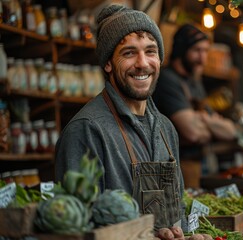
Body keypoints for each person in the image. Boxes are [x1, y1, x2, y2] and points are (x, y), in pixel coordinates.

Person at [55, 4, 186, 238]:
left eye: (150, 51)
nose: (143, 63)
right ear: (107, 63)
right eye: (129, 53)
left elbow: (180, 212)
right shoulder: (87, 130)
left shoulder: (166, 129)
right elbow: (73, 229)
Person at [152, 23, 239, 187]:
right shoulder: (167, 80)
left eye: (206, 51)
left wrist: (200, 118)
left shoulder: (194, 82)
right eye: (197, 51)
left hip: (200, 163)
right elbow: (192, 133)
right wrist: (210, 123)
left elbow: (230, 131)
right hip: (176, 167)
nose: (203, 58)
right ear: (181, 50)